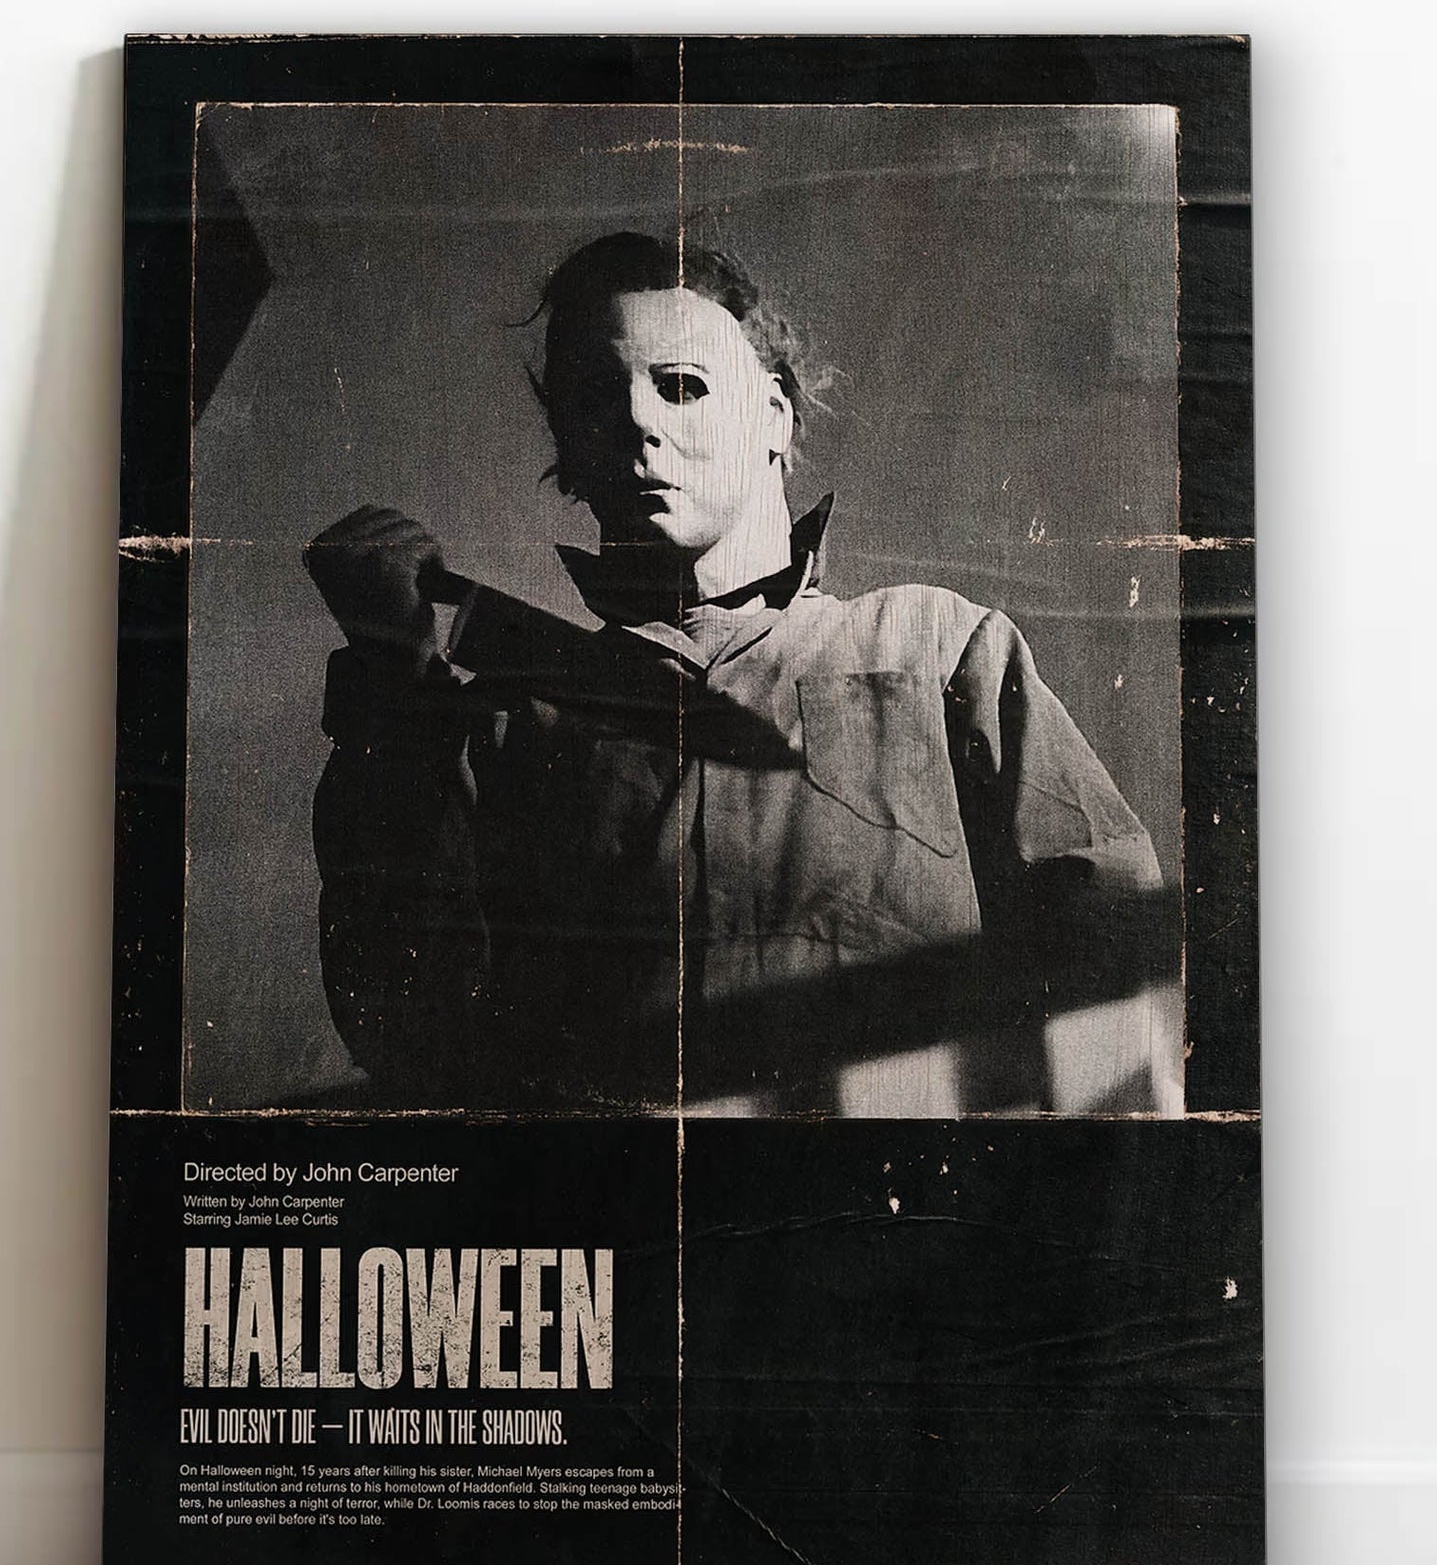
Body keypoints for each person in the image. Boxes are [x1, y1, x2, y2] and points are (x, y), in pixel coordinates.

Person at [305, 232, 1165, 1116]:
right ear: (571, 450)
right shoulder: (507, 722)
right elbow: (409, 1031)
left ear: (775, 418)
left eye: (682, 386)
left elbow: (1115, 965)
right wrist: (389, 684)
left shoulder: (939, 646)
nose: (639, 422)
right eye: (596, 397)